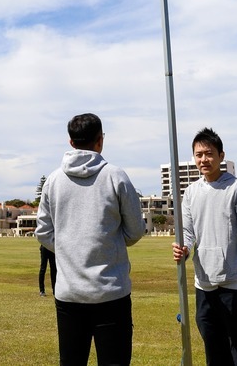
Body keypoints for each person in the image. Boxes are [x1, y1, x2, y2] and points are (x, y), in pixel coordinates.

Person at [35, 113, 145, 366]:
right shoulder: (116, 176)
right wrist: (111, 243)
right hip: (111, 292)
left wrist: (68, 246)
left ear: (71, 142)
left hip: (69, 294)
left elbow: (43, 232)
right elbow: (136, 230)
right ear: (100, 140)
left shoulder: (53, 181)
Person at [173, 127, 237, 366]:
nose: (203, 159)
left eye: (209, 153)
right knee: (214, 354)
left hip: (236, 287)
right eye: (198, 154)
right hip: (204, 286)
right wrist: (185, 248)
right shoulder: (191, 192)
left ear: (221, 156)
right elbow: (189, 232)